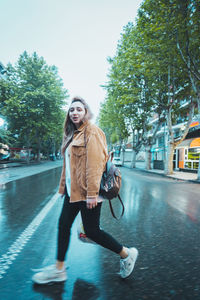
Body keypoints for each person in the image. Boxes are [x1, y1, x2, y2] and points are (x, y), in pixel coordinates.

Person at [32, 97, 138, 284]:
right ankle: (59, 269)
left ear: (86, 112)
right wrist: (64, 188)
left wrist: (91, 194)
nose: (74, 112)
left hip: (88, 193)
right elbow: (70, 166)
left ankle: (126, 254)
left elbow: (95, 165)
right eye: (71, 109)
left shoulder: (92, 132)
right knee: (63, 226)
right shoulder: (73, 134)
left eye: (79, 109)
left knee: (92, 231)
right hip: (73, 193)